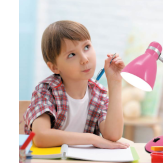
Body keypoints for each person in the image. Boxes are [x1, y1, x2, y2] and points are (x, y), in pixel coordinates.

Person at [23, 20, 129, 149]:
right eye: (72, 54)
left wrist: (115, 82)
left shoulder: (98, 93)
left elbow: (113, 135)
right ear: (54, 67)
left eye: (86, 47)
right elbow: (40, 136)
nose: (85, 59)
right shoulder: (47, 90)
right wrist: (92, 139)